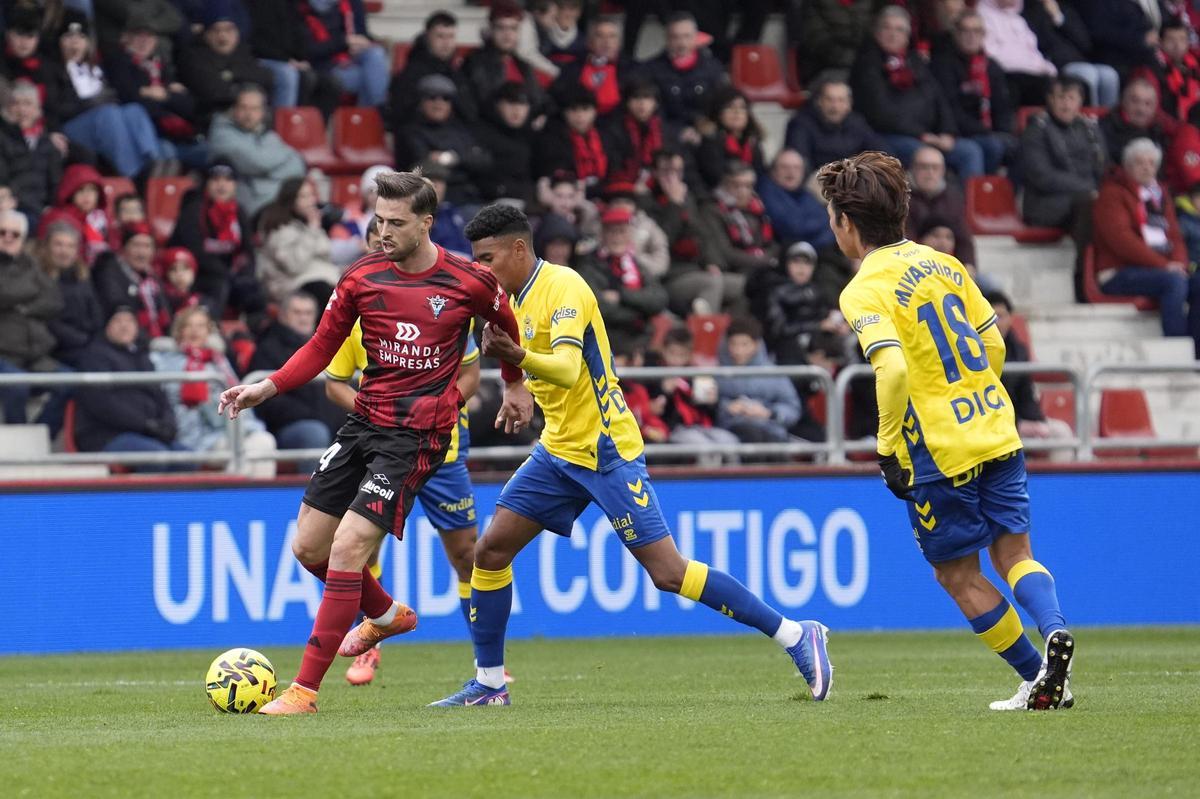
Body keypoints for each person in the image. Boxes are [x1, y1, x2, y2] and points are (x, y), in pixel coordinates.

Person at [427, 202, 832, 707]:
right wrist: (515, 385)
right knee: (490, 551)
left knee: (668, 572)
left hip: (605, 448)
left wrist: (518, 360)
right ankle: (489, 684)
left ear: (518, 249)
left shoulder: (565, 287)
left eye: (486, 258)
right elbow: (516, 359)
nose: (480, 270)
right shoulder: (508, 297)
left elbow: (570, 370)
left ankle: (796, 635)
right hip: (557, 450)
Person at [216, 171, 530, 714]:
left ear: (426, 223)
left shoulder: (468, 280)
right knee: (309, 548)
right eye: (378, 220)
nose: (382, 231)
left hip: (419, 436)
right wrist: (264, 388)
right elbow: (321, 347)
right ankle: (387, 616)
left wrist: (515, 383)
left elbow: (505, 325)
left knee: (347, 547)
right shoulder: (360, 276)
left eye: (395, 223)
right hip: (365, 423)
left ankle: (303, 691)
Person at [821, 149, 1074, 711]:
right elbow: (993, 344)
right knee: (1016, 554)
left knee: (957, 574)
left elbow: (890, 367)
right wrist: (974, 397)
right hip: (995, 428)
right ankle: (1053, 627)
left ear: (846, 222)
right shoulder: (945, 263)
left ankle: (1039, 677)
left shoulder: (863, 288)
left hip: (937, 449)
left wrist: (888, 447)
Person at [322, 226, 488, 686]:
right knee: (360, 543)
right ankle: (368, 646)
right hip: (385, 449)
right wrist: (380, 414)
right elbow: (334, 381)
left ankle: (486, 658)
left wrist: (435, 409)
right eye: (377, 245)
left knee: (466, 554)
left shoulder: (445, 307)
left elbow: (472, 375)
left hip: (444, 450)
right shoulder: (357, 315)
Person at [1093, 138, 1200, 355]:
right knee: (1174, 282)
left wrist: (1178, 262)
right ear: (1127, 166)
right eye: (1140, 162)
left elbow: (1174, 236)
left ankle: (1196, 352)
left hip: (1159, 268)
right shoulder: (1112, 194)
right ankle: (1177, 351)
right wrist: (1164, 265)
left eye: (1152, 163)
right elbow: (1122, 241)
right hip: (1118, 272)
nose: (1147, 168)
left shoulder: (1159, 194)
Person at [851, 6, 985, 179]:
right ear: (876, 32)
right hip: (889, 136)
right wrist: (923, 135)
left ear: (907, 37)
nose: (893, 34)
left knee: (970, 151)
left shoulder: (914, 60)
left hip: (927, 136)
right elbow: (881, 113)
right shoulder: (867, 63)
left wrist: (947, 132)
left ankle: (968, 205)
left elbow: (939, 99)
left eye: (899, 29)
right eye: (887, 28)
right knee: (924, 154)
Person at [152, 305, 277, 477]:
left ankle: (253, 498)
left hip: (226, 428)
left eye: (201, 326)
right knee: (246, 451)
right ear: (179, 331)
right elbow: (190, 406)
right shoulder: (166, 362)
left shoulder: (218, 359)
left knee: (264, 441)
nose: (195, 331)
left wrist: (247, 426)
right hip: (195, 435)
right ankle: (238, 496)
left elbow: (237, 394)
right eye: (189, 326)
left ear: (208, 331)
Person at [50, 11, 165, 179]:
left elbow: (114, 95)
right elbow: (57, 107)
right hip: (71, 126)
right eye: (69, 37)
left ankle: (153, 162)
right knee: (108, 114)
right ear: (59, 42)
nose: (75, 42)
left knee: (133, 110)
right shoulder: (53, 70)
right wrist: (92, 103)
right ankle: (134, 175)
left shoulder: (96, 68)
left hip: (101, 121)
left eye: (81, 37)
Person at [73, 306, 186, 464]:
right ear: (107, 326)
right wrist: (145, 425)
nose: (124, 326)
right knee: (156, 457)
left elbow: (160, 396)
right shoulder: (94, 357)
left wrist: (168, 424)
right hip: (106, 435)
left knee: (187, 457)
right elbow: (102, 404)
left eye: (129, 321)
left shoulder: (142, 357)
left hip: (146, 434)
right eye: (118, 321)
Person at [245, 292, 332, 472]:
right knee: (314, 433)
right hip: (288, 427)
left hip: (327, 420)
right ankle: (312, 496)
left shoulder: (331, 346)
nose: (303, 318)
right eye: (297, 313)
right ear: (283, 315)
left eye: (308, 313)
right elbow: (265, 402)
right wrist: (311, 414)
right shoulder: (267, 349)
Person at [0, 209, 68, 434]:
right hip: (4, 355)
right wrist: (30, 292)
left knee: (70, 382)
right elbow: (5, 292)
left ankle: (43, 434)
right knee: (16, 386)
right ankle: (19, 439)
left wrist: (25, 308)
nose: (8, 238)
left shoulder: (30, 263)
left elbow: (55, 300)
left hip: (36, 355)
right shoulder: (29, 272)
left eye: (15, 234)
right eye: (3, 232)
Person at [1020, 75, 1107, 248]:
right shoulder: (1037, 129)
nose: (1066, 105)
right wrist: (1088, 189)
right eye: (1061, 98)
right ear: (1050, 99)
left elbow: (1103, 167)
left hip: (1087, 198)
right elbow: (1042, 177)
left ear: (1080, 101)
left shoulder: (1090, 128)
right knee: (1089, 208)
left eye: (1071, 98)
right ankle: (1085, 271)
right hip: (1045, 204)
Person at [986, 290, 1073, 461]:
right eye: (991, 317)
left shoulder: (1019, 350)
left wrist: (1037, 422)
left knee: (1061, 432)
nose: (996, 323)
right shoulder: (973, 351)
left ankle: (1056, 485)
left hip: (1018, 421)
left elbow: (1026, 394)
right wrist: (1018, 425)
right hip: (991, 424)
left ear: (1011, 318)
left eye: (1001, 316)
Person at [169, 160, 261, 318]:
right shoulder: (193, 210)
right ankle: (212, 329)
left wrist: (245, 273)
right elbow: (195, 251)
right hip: (197, 275)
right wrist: (227, 274)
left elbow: (248, 251)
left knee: (253, 288)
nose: (222, 185)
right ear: (207, 183)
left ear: (235, 185)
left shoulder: (239, 212)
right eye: (216, 180)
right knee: (219, 283)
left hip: (228, 274)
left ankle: (254, 333)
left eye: (228, 180)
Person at [930, 9, 1016, 174]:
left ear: (983, 35)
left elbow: (1003, 106)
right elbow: (950, 110)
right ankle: (980, 195)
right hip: (960, 133)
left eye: (976, 31)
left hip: (990, 132)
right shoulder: (943, 64)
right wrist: (986, 132)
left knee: (1024, 149)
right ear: (956, 33)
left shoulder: (992, 66)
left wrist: (1003, 131)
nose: (971, 36)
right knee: (989, 147)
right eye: (965, 30)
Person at [640, 148, 723, 316]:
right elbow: (664, 239)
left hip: (695, 267)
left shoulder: (687, 198)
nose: (673, 178)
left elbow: (702, 233)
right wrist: (674, 205)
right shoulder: (646, 201)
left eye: (678, 171)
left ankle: (735, 339)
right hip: (671, 275)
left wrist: (711, 262)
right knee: (712, 284)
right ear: (654, 172)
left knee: (743, 286)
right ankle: (702, 337)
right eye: (666, 171)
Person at [207, 84, 306, 217]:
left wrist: (267, 173)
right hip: (253, 207)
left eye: (254, 109)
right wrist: (288, 155)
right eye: (243, 107)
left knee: (321, 214)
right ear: (234, 109)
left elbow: (298, 165)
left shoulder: (267, 135)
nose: (249, 114)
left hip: (279, 202)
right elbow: (258, 162)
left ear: (262, 112)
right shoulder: (222, 135)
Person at [394, 74, 492, 206]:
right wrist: (466, 160)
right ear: (421, 101)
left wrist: (452, 158)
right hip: (430, 199)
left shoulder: (461, 130)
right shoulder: (410, 132)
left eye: (445, 98)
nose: (439, 103)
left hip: (469, 195)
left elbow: (485, 160)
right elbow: (427, 164)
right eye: (432, 97)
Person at [177, 4, 275, 128]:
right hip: (215, 120)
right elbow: (213, 92)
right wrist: (244, 87)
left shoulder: (242, 51)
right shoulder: (193, 56)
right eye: (216, 30)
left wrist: (231, 75)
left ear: (237, 32)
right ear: (206, 33)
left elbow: (266, 77)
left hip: (251, 118)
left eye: (228, 29)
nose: (222, 36)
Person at [575, 205, 668, 333]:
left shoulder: (637, 265)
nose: (617, 238)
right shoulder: (588, 266)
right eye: (612, 232)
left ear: (629, 234)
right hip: (608, 338)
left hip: (640, 337)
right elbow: (598, 308)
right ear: (603, 234)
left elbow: (659, 299)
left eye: (622, 231)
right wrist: (641, 313)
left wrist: (622, 295)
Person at [715, 317, 805, 445]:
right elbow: (707, 407)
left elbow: (792, 408)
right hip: (731, 429)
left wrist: (769, 413)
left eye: (744, 344)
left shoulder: (774, 375)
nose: (738, 351)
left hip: (770, 431)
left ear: (756, 345)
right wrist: (726, 407)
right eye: (733, 344)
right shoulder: (716, 374)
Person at [702, 161, 779, 309]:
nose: (743, 191)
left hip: (758, 268)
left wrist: (769, 258)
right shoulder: (712, 210)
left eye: (748, 186)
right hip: (731, 271)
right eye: (736, 186)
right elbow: (726, 253)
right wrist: (765, 261)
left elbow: (772, 243)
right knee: (760, 286)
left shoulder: (758, 208)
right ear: (724, 185)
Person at [255, 177, 340, 309]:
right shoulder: (278, 228)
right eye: (303, 197)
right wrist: (312, 230)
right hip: (291, 286)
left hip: (319, 278)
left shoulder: (308, 223)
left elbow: (327, 253)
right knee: (325, 294)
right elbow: (294, 265)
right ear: (291, 200)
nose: (311, 201)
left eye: (311, 195)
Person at [1022, 0, 1119, 108]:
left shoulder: (1065, 9)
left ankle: (1108, 120)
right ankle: (1091, 120)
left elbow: (1084, 42)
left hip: (1079, 60)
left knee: (1109, 74)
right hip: (1056, 63)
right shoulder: (1028, 10)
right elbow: (1040, 42)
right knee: (1088, 74)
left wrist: (1058, 17)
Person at [640, 11, 728, 128]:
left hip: (705, 133)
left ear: (696, 37)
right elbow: (651, 111)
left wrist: (704, 127)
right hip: (666, 135)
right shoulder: (651, 70)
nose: (682, 43)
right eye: (675, 37)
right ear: (667, 39)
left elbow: (722, 105)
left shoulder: (713, 68)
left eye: (687, 36)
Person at [390, 11, 477, 126]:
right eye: (440, 36)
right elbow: (401, 113)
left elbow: (470, 113)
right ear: (427, 37)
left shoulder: (458, 73)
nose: (446, 43)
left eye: (451, 37)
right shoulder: (411, 74)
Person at [784, 78, 889, 173]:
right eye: (829, 100)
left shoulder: (856, 123)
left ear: (849, 104)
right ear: (819, 102)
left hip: (851, 177)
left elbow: (879, 148)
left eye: (841, 100)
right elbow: (800, 161)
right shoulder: (802, 123)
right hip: (818, 178)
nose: (835, 107)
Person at [298, 0, 389, 108]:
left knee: (375, 54)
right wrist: (344, 42)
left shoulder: (352, 3)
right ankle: (376, 117)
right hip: (323, 66)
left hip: (352, 60)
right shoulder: (301, 7)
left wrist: (362, 43)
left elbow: (363, 35)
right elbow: (306, 51)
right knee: (370, 78)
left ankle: (373, 116)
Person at [463, 3, 547, 119]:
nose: (507, 34)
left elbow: (539, 102)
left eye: (513, 28)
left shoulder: (524, 66)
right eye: (501, 28)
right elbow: (478, 105)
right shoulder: (474, 64)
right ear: (491, 30)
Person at [39, 221, 103, 369]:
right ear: (47, 247)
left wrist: (94, 341)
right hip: (57, 351)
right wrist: (84, 341)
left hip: (87, 345)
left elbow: (96, 314)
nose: (64, 251)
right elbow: (49, 322)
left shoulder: (83, 278)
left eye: (70, 246)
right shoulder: (38, 278)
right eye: (58, 245)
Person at [92, 223, 172, 338]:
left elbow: (166, 312)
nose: (142, 253)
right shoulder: (109, 273)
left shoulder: (152, 278)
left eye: (147, 246)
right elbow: (117, 309)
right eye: (136, 245)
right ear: (124, 248)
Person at [905, 146, 977, 271]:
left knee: (991, 285)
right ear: (913, 168)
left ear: (943, 171)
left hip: (948, 267)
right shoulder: (899, 196)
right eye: (924, 167)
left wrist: (968, 265)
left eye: (935, 168)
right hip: (911, 267)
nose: (930, 173)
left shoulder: (953, 198)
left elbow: (963, 237)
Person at [0, 81, 64, 220]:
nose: (22, 109)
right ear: (7, 109)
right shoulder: (3, 138)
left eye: (27, 103)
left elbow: (55, 184)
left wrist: (50, 208)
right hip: (10, 206)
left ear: (38, 110)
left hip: (40, 209)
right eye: (15, 103)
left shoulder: (48, 144)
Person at [976, 0, 1057, 107]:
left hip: (1031, 74)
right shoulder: (982, 17)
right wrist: (1028, 65)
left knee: (1060, 87)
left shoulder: (1018, 20)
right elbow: (991, 54)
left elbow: (1032, 51)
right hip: (1007, 75)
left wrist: (1046, 67)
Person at [756, 149, 837, 253]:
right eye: (784, 167)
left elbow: (828, 220)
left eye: (797, 168)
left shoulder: (803, 193)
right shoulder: (766, 191)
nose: (791, 172)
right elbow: (794, 228)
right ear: (773, 170)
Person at [471, 82, 536, 206]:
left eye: (522, 104)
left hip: (526, 199)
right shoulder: (481, 133)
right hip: (488, 201)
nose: (517, 110)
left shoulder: (531, 136)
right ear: (497, 104)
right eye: (511, 103)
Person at [550, 15, 628, 117]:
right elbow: (556, 98)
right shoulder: (572, 68)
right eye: (600, 36)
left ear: (619, 42)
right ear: (589, 42)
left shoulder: (631, 69)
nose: (606, 42)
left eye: (612, 36)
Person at [696, 87, 765, 189]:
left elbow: (760, 177)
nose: (737, 112)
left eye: (742, 107)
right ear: (719, 113)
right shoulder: (711, 142)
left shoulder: (753, 142)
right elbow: (715, 178)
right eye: (729, 107)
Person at [1098, 78, 1176, 167]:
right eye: (1135, 101)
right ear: (1123, 101)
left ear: (1155, 108)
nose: (1141, 109)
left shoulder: (1159, 133)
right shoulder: (1105, 129)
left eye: (1148, 103)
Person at [1137, 17, 1200, 122]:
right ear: (1160, 42)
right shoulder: (1155, 68)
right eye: (1171, 40)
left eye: (1182, 39)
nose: (1177, 45)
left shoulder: (1195, 62)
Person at [795, 0, 875, 82]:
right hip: (824, 67)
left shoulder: (868, 3)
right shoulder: (814, 3)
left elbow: (875, 35)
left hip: (863, 64)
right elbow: (818, 40)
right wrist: (857, 60)